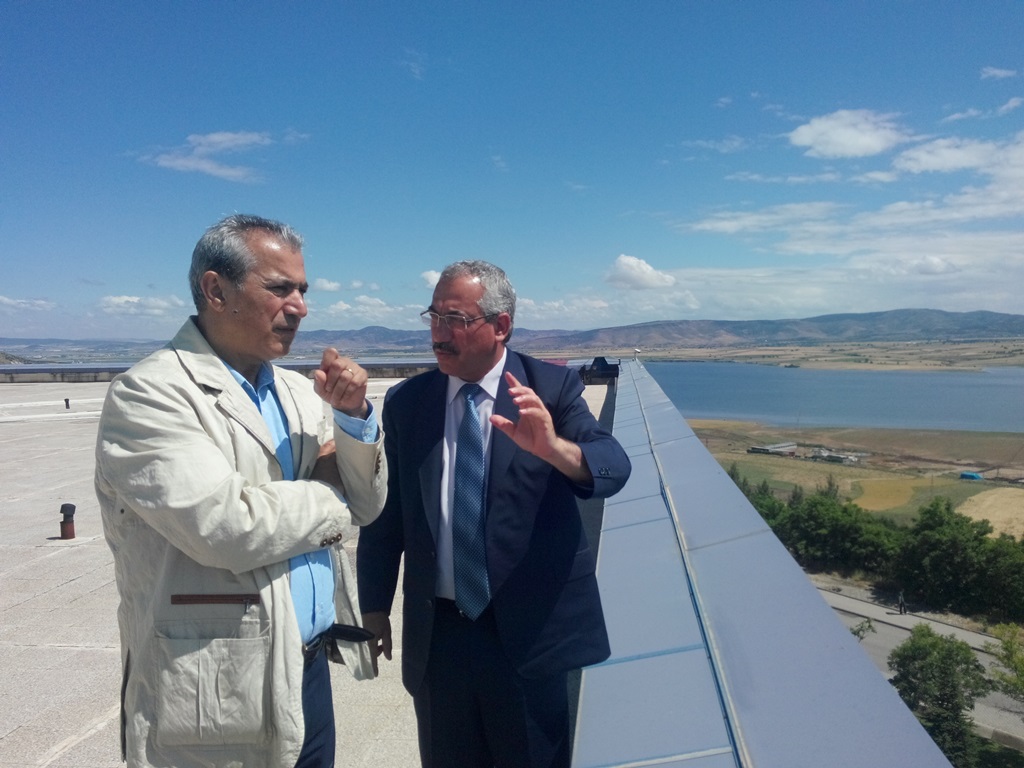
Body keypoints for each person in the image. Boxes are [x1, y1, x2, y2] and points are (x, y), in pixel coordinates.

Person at [95, 214, 387, 768]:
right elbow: (228, 528)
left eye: (303, 290)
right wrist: (332, 488)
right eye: (280, 288)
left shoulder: (300, 393)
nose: (299, 307)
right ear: (216, 290)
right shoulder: (149, 395)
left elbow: (368, 505)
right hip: (217, 690)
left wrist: (352, 418)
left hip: (308, 673)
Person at [357, 260, 632, 767]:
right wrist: (374, 606)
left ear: (500, 325)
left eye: (455, 319)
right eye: (434, 316)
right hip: (440, 639)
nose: (439, 333)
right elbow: (386, 513)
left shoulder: (549, 389)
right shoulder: (408, 403)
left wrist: (554, 449)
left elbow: (613, 466)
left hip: (528, 640)